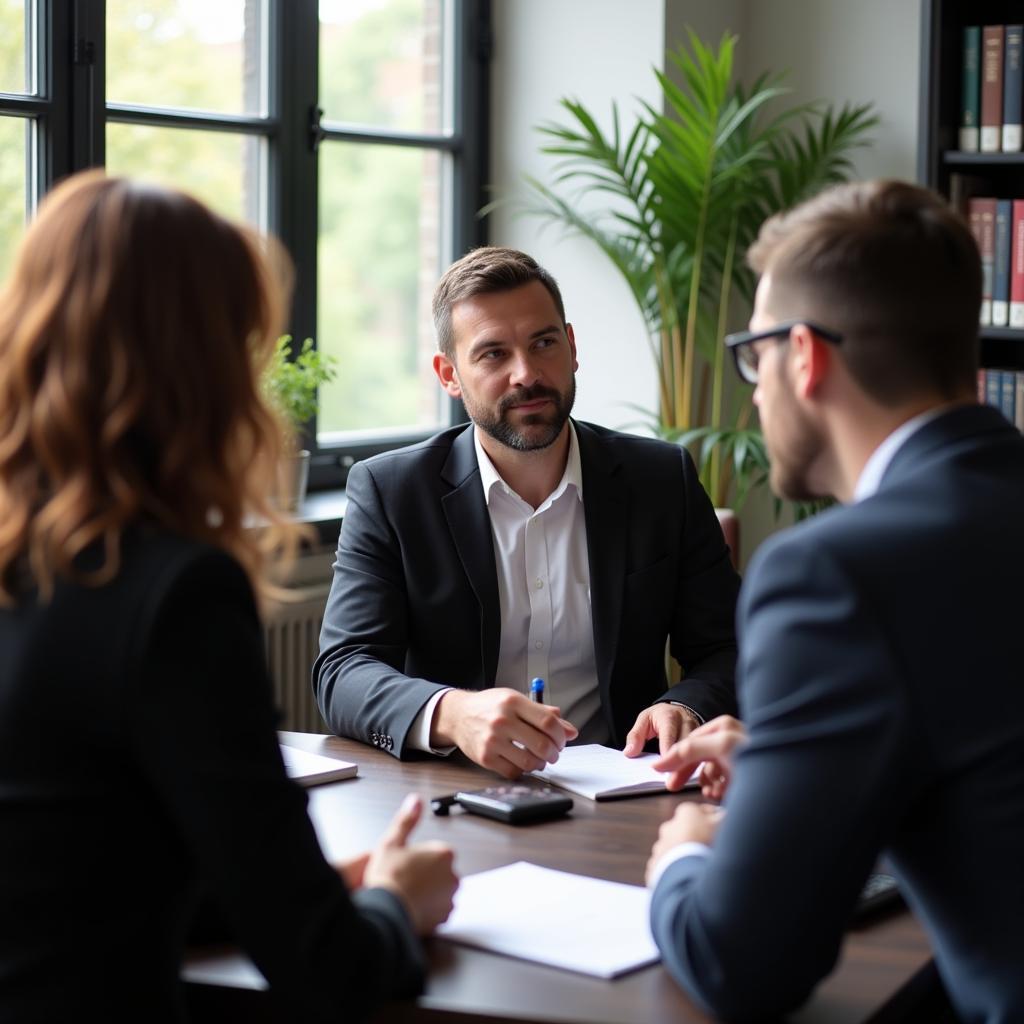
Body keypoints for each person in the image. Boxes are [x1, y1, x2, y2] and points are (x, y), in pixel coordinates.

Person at [0, 172, 458, 1024]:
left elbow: (74, 862)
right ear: (199, 368)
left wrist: (301, 889)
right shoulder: (175, 594)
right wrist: (396, 902)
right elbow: (328, 971)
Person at [646, 180, 1024, 1023]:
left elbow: (740, 967)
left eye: (754, 355)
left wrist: (687, 856)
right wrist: (800, 766)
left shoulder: (832, 575)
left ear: (806, 356)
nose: (753, 390)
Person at [314, 247, 740, 778]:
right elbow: (343, 671)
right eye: (493, 354)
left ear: (573, 346)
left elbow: (728, 647)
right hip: (456, 791)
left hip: (627, 789)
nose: (526, 374)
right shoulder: (392, 491)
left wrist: (687, 706)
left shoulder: (661, 480)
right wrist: (453, 713)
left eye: (544, 343)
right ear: (449, 375)